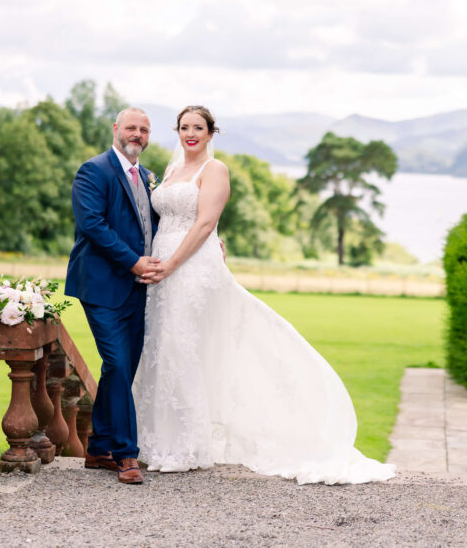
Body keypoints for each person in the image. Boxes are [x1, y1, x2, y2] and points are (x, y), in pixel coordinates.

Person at [132, 105, 395, 484]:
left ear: (210, 133)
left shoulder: (215, 170)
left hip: (189, 267)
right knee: (162, 345)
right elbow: (164, 217)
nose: (191, 133)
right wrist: (162, 261)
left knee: (183, 345)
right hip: (163, 267)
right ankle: (157, 441)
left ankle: (185, 447)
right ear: (177, 131)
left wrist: (173, 263)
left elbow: (205, 222)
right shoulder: (171, 171)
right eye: (185, 127)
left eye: (198, 128)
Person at [65, 107, 160, 484]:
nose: (137, 134)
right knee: (119, 364)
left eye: (144, 129)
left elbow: (162, 225)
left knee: (121, 368)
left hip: (139, 288)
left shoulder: (150, 177)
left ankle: (98, 446)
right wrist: (134, 262)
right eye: (131, 127)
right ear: (116, 129)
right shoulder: (94, 170)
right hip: (102, 285)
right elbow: (93, 225)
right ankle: (126, 454)